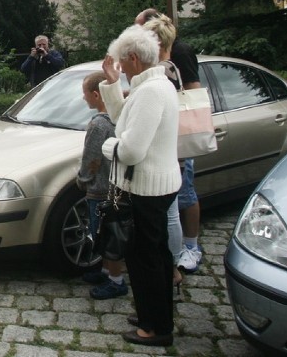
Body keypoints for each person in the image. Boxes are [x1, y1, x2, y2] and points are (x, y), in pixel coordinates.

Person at [100, 24, 180, 347]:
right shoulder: (154, 85)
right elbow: (123, 118)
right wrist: (111, 83)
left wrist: (109, 146)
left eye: (122, 61)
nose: (121, 66)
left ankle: (155, 327)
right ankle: (154, 313)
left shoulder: (151, 91)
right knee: (156, 256)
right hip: (155, 185)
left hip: (147, 189)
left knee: (145, 260)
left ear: (134, 57)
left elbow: (131, 149)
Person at [136, 8, 204, 273]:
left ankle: (190, 248)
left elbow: (193, 94)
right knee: (174, 203)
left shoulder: (180, 54)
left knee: (184, 195)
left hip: (177, 137)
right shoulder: (154, 62)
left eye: (140, 29)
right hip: (163, 137)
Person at [76, 72, 127, 300]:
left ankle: (116, 281)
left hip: (100, 189)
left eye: (85, 93)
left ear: (96, 95)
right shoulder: (120, 116)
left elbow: (91, 159)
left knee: (106, 235)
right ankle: (106, 271)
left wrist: (82, 179)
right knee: (110, 231)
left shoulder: (98, 124)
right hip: (117, 186)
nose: (83, 97)